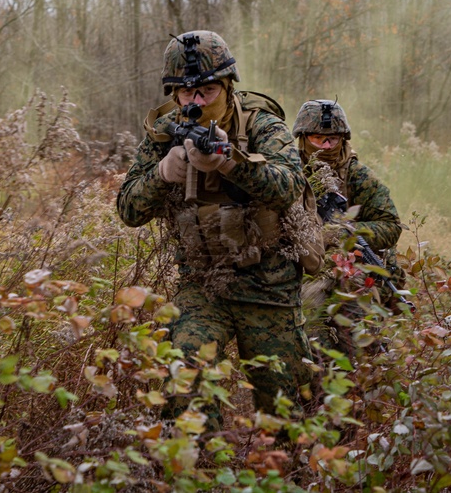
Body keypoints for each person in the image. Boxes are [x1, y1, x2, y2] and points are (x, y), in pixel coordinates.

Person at [116, 31, 320, 435]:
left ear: (227, 87)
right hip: (204, 283)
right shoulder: (165, 132)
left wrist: (230, 163)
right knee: (185, 372)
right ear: (174, 95)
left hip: (269, 286)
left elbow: (288, 187)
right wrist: (161, 173)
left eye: (208, 91)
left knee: (284, 409)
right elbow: (128, 210)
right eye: (186, 94)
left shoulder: (262, 123)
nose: (197, 103)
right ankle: (195, 466)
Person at [292, 99, 404, 366]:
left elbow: (390, 226)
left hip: (352, 269)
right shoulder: (288, 173)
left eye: (333, 139)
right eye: (319, 139)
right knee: (311, 341)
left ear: (343, 139)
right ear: (304, 139)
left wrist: (346, 233)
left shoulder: (359, 177)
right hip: (304, 270)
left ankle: (359, 395)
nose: (327, 146)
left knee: (360, 344)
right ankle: (317, 396)